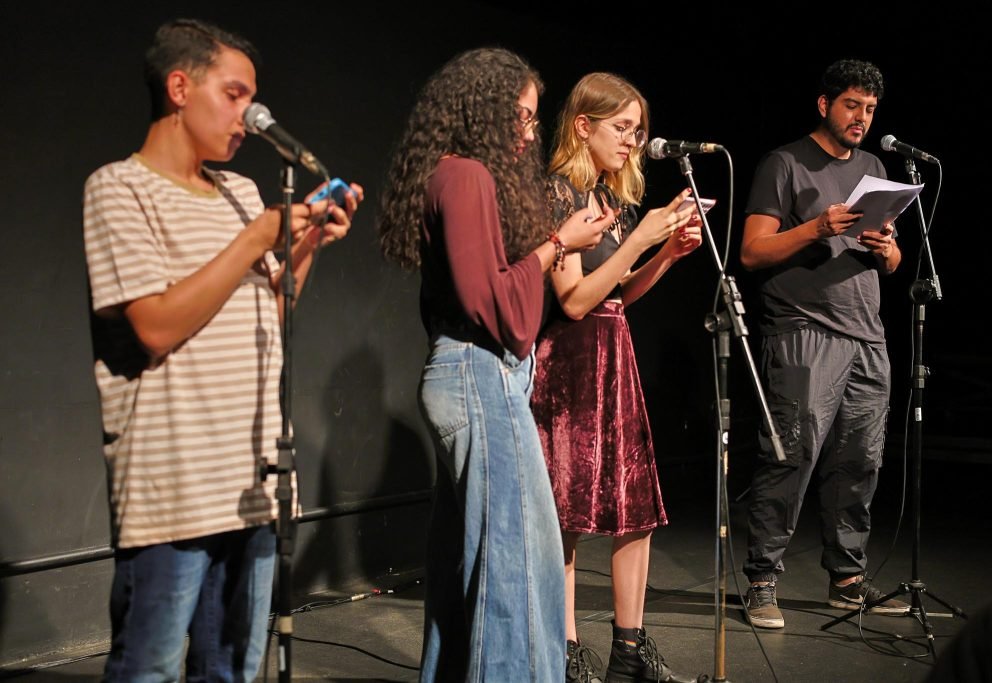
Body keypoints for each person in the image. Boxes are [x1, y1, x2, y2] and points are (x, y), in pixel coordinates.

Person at [83, 19, 359, 680]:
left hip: (252, 482)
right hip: (173, 485)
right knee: (148, 667)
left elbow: (266, 307)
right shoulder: (119, 187)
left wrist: (308, 239)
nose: (250, 117)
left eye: (252, 100)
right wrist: (256, 238)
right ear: (180, 86)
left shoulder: (240, 193)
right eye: (235, 96)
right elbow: (152, 325)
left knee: (230, 670)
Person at [377, 48, 612, 682]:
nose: (532, 132)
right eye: (524, 117)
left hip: (473, 375)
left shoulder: (458, 175)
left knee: (469, 566)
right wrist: (559, 243)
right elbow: (499, 307)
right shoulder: (465, 177)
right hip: (479, 375)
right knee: (518, 567)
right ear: (485, 110)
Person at [530, 72, 702, 683]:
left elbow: (617, 298)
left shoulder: (609, 198)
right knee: (568, 512)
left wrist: (666, 254)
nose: (632, 141)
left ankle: (629, 651)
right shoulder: (558, 194)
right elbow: (574, 300)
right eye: (621, 128)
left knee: (634, 506)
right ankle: (567, 650)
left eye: (638, 130)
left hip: (614, 354)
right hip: (568, 366)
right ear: (584, 126)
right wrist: (641, 242)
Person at [738, 58, 906, 629]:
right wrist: (817, 227)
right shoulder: (784, 164)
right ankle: (762, 577)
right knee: (791, 454)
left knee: (860, 459)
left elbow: (893, 257)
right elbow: (752, 252)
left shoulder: (875, 166)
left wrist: (886, 250)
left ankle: (847, 577)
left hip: (867, 334)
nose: (861, 117)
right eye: (852, 105)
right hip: (803, 329)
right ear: (824, 104)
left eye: (870, 109)